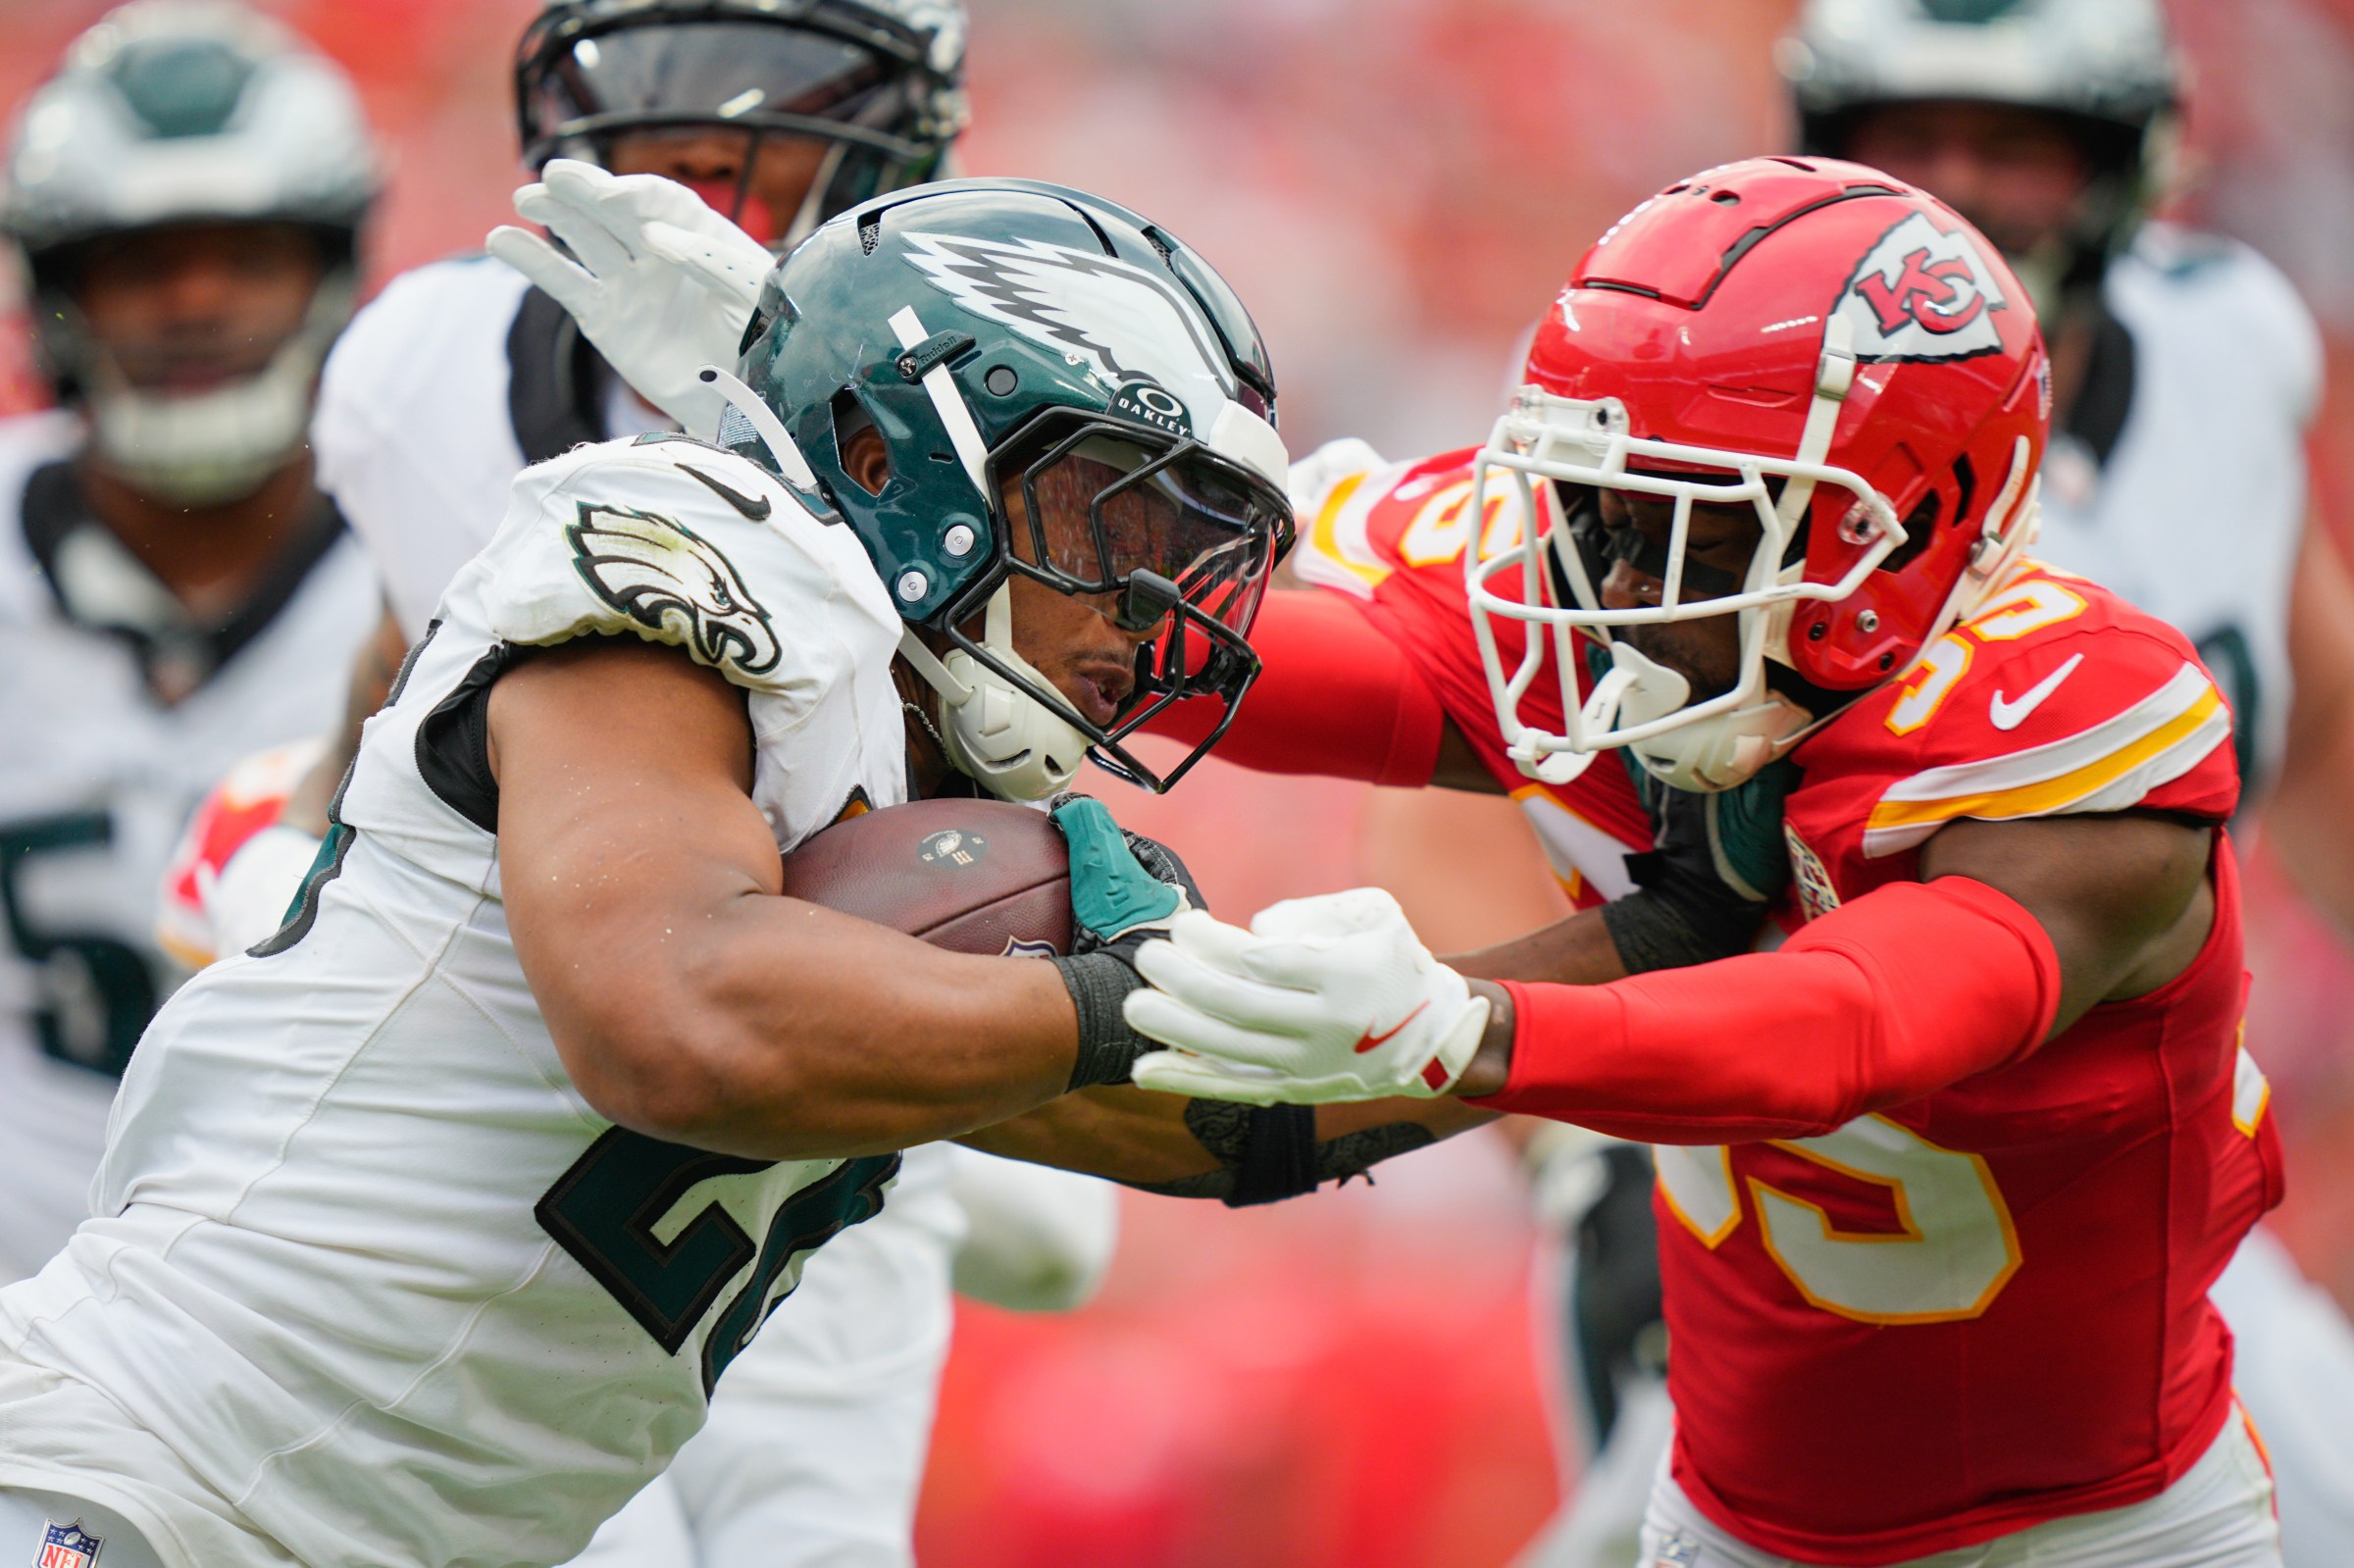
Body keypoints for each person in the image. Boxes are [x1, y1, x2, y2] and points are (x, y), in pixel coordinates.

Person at [0, 178, 1485, 1568]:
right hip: (144, 1476)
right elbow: (673, 1017)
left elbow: (1235, 1127)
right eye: (1116, 514)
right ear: (898, 456)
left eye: (1196, 550)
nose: (1154, 605)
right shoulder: (692, 561)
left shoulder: (931, 763)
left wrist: (1570, 994)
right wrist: (1110, 1001)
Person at [1123, 157, 2285, 1566]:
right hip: (1736, 1517)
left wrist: (1460, 1030)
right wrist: (985, 587)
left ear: (1893, 527)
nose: (1615, 587)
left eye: (1684, 521)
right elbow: (1267, 664)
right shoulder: (1686, 666)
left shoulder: (2066, 729)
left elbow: (1852, 1022)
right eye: (1603, 516)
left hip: (2113, 1532)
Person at [176, 6, 1115, 1563]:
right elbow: (412, 642)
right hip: (482, 1075)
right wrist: (296, 835)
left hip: (803, 1061)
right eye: (660, 143)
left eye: (760, 152)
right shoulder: (419, 371)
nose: (700, 190)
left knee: (815, 1524)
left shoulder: (985, 403)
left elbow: (1034, 738)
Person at [0, 1, 384, 1284]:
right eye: (139, 261)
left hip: (348, 1318)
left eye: (246, 254)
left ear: (328, 269)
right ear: (55, 291)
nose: (196, 301)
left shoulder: (451, 557)